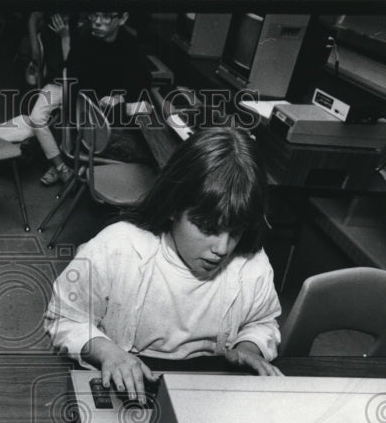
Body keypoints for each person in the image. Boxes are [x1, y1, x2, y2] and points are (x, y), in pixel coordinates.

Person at [44, 127, 282, 401]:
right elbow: (63, 317)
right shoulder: (116, 248)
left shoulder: (252, 265)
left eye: (236, 231)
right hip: (128, 383)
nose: (222, 249)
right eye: (207, 228)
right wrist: (107, 351)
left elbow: (263, 322)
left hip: (206, 391)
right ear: (173, 207)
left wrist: (249, 347)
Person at [0, 9, 152, 186]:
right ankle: (65, 166)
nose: (97, 22)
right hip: (92, 123)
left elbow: (141, 81)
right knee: (148, 154)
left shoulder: (130, 44)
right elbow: (74, 84)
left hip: (103, 116)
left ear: (123, 19)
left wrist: (122, 96)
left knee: (144, 118)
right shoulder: (83, 43)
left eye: (105, 16)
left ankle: (71, 165)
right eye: (94, 14)